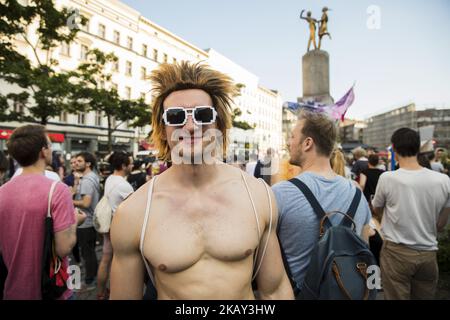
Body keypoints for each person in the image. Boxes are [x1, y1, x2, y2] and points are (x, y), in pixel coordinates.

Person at [110, 61, 293, 300]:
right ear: (163, 128)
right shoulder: (134, 212)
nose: (191, 126)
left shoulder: (257, 195)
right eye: (175, 116)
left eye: (202, 114)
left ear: (218, 122)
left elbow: (276, 290)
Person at [272, 110, 372, 297]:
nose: (288, 142)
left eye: (292, 136)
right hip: (346, 293)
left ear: (307, 143)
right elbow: (364, 249)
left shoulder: (281, 193)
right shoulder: (357, 194)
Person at [0, 125, 85, 299]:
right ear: (43, 151)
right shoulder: (57, 190)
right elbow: (63, 248)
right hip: (51, 290)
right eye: (49, 144)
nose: (52, 149)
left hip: (13, 289)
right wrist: (75, 221)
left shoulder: (2, 191)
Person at [372, 128, 450, 300]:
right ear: (418, 148)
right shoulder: (444, 180)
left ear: (394, 148)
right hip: (428, 253)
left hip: (396, 252)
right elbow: (441, 224)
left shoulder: (387, 178)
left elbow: (376, 209)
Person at [97, 151, 134, 300]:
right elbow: (135, 207)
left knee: (106, 259)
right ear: (124, 166)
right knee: (119, 263)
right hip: (118, 228)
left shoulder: (110, 179)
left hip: (107, 225)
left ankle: (100, 293)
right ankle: (115, 292)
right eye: (130, 163)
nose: (132, 165)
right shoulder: (124, 185)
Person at [73, 151, 101, 291]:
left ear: (88, 163)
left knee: (87, 253)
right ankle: (93, 277)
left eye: (79, 161)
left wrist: (69, 201)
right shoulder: (91, 177)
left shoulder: (87, 180)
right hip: (89, 221)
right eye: (75, 161)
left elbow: (85, 203)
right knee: (89, 252)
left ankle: (90, 281)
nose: (76, 163)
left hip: (85, 222)